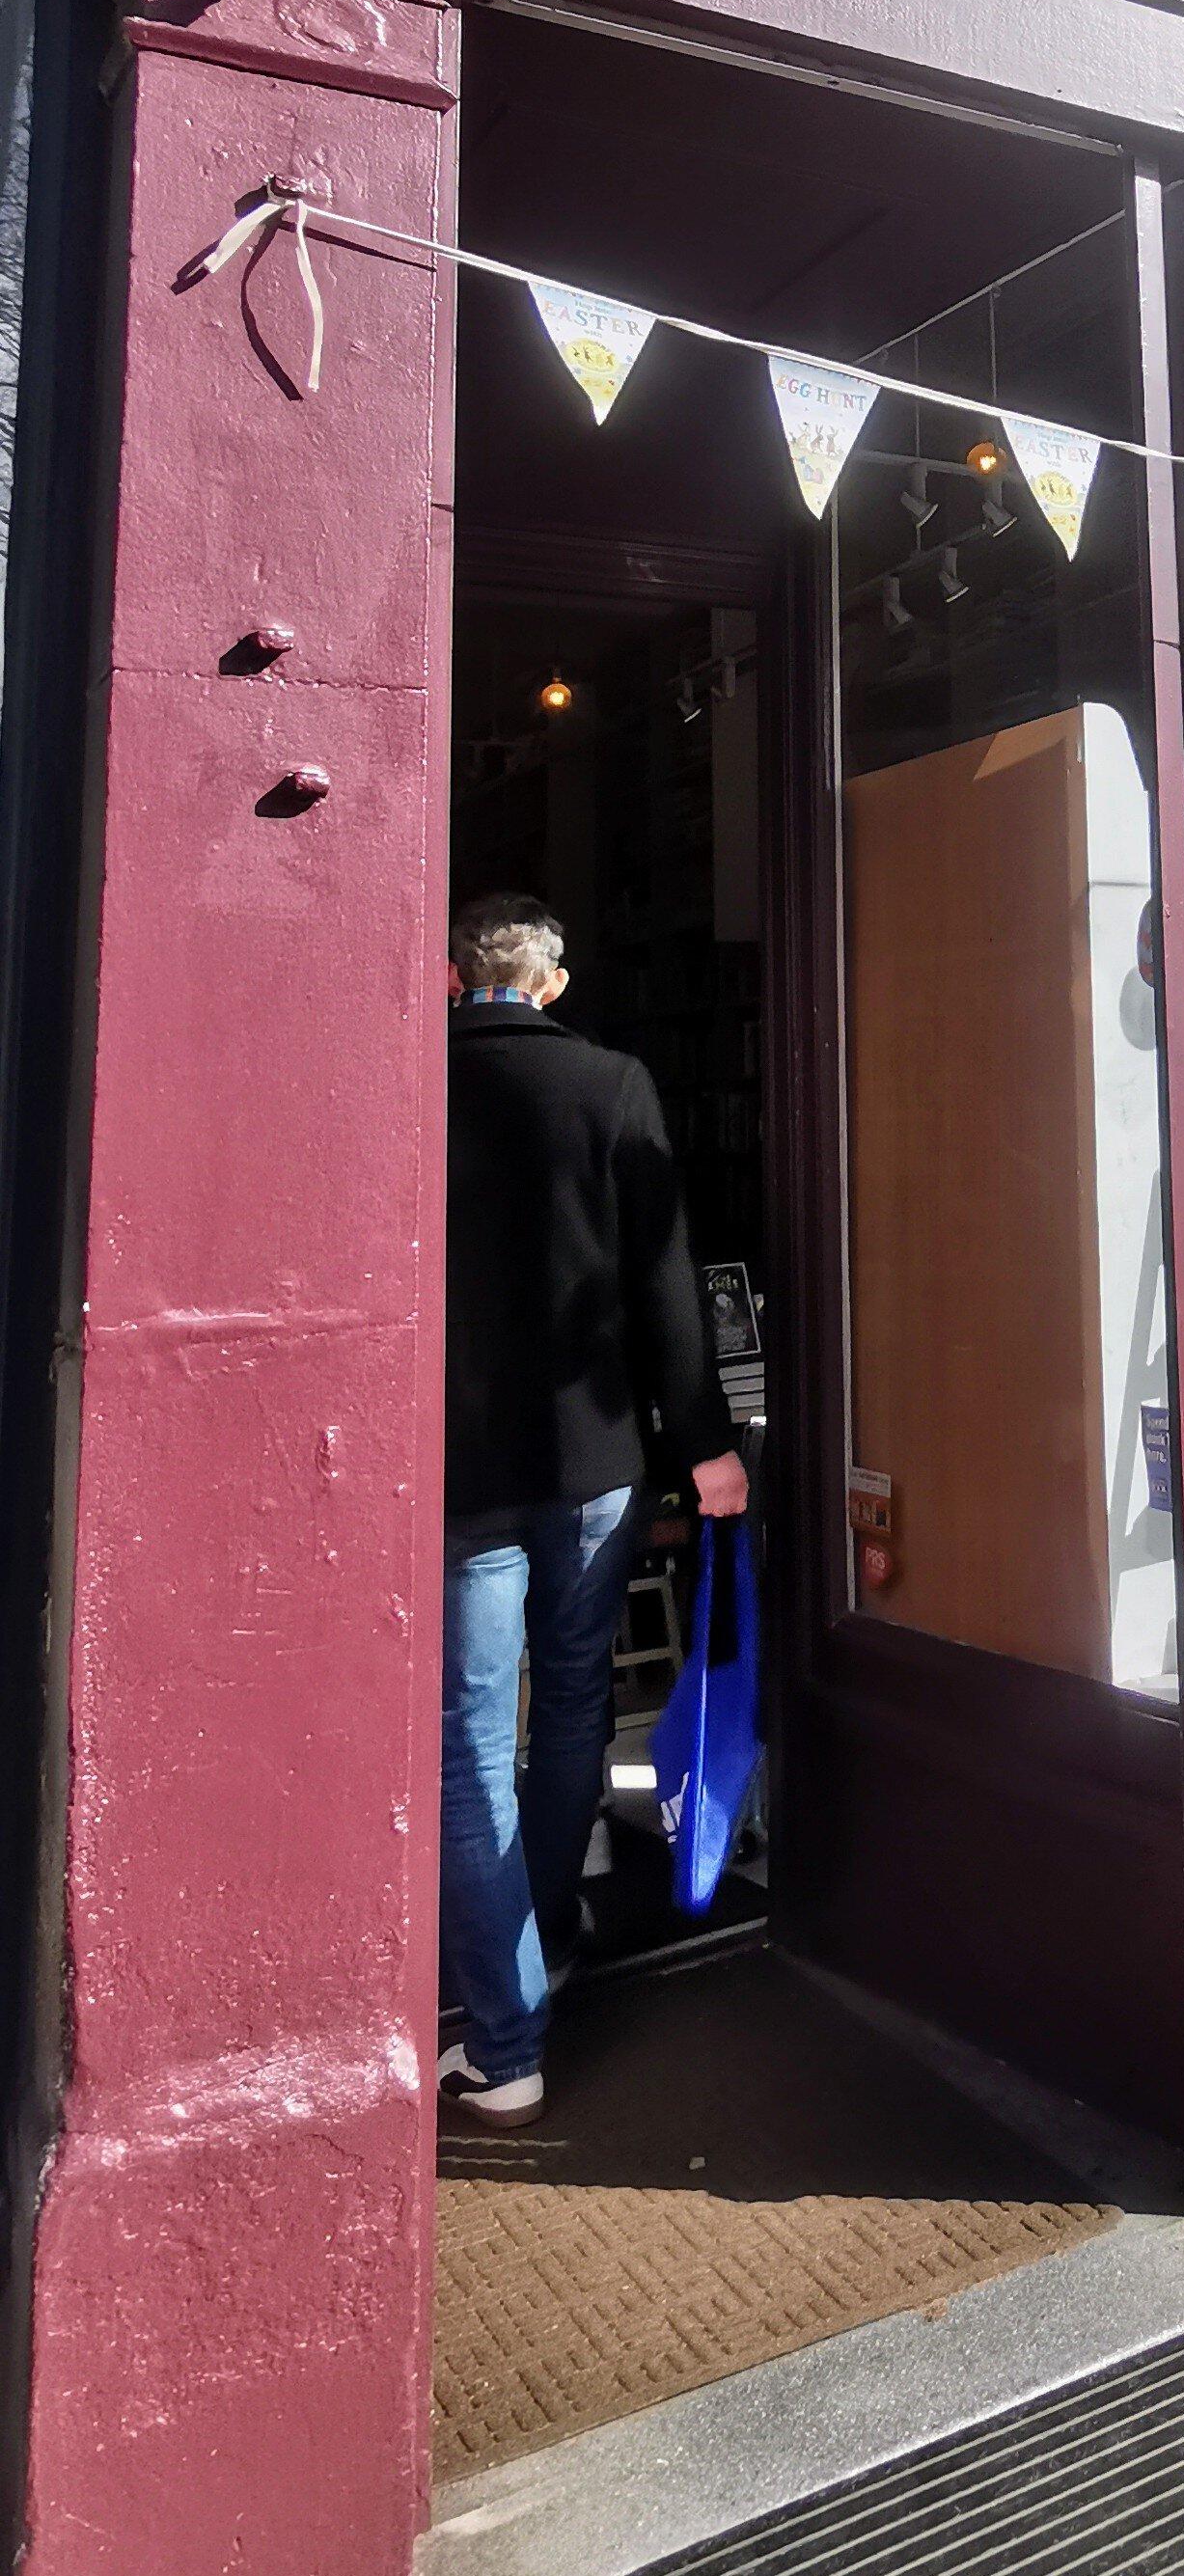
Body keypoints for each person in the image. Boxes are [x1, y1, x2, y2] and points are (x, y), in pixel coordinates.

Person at [438, 890, 748, 2124]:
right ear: (552, 982)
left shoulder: (412, 1083)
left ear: (458, 977)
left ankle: (507, 2037)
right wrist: (708, 1447)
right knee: (573, 1700)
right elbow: (664, 1287)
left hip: (460, 1467)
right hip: (597, 1461)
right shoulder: (614, 1084)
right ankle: (552, 1929)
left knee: (470, 1745)